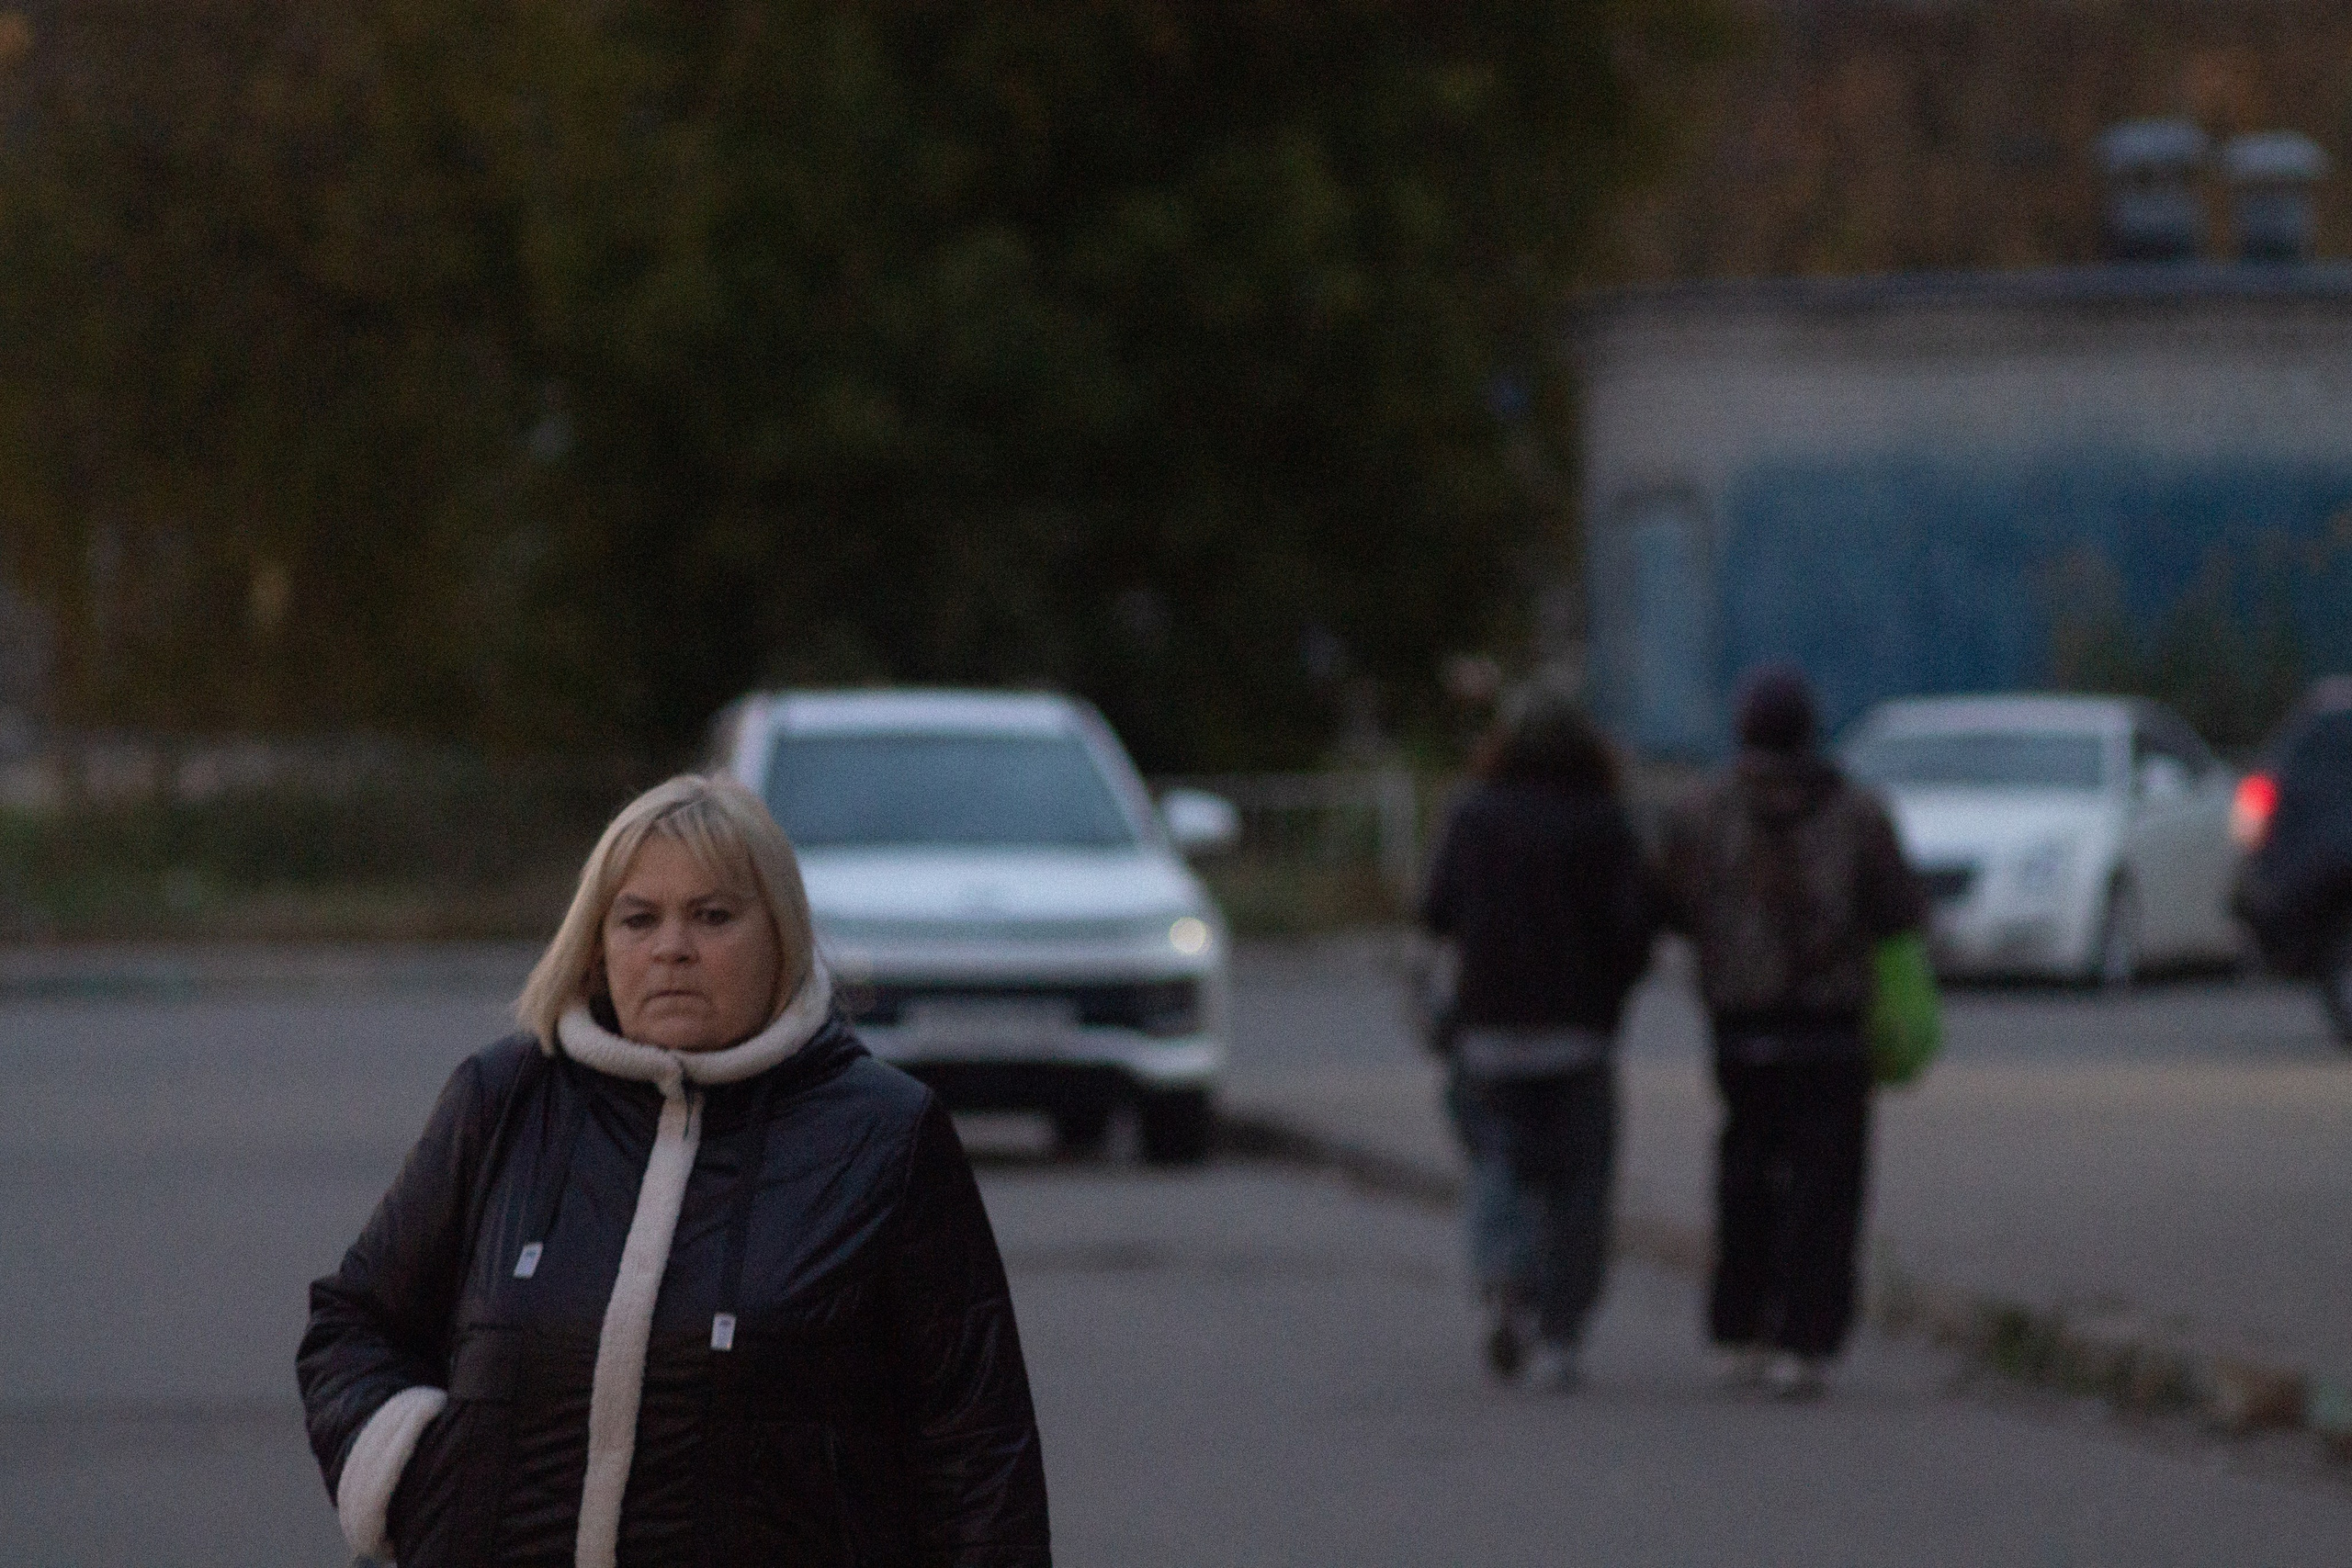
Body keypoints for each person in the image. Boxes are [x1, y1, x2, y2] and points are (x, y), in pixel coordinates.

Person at [298, 775, 1051, 1567]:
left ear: (781, 935)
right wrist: (412, 1473)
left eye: (713, 915)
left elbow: (979, 1451)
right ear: (597, 941)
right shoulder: (504, 1100)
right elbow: (354, 1324)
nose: (672, 947)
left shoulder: (884, 1136)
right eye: (639, 918)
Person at [1659, 665, 1928, 1400]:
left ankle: (1738, 1327)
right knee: (1827, 1184)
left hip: (1740, 1026)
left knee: (1744, 1169)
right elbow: (1902, 910)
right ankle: (1806, 1342)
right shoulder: (1859, 811)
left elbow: (1673, 906)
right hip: (1833, 1029)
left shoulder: (1702, 808)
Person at [1421, 693, 1658, 1389]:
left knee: (1498, 1159)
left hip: (1488, 1031)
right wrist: (1609, 993)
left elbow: (1434, 911)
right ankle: (1561, 1336)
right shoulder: (1604, 822)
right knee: (1581, 1188)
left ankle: (1504, 1277)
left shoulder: (1472, 814)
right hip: (1581, 1036)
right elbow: (1633, 932)